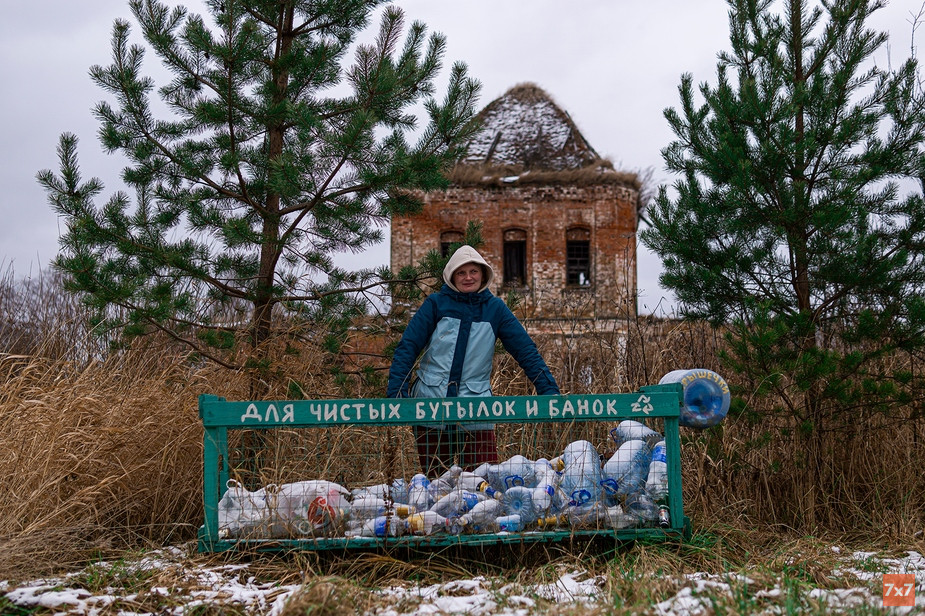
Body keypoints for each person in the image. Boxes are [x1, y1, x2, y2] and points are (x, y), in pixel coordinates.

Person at [387, 245, 560, 475]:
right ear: (451, 276)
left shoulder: (495, 309)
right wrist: (397, 393)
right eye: (461, 272)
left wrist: (548, 390)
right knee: (437, 482)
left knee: (483, 480)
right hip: (431, 406)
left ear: (483, 274)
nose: (468, 277)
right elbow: (408, 346)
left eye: (473, 272)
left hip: (477, 408)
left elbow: (525, 350)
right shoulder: (436, 304)